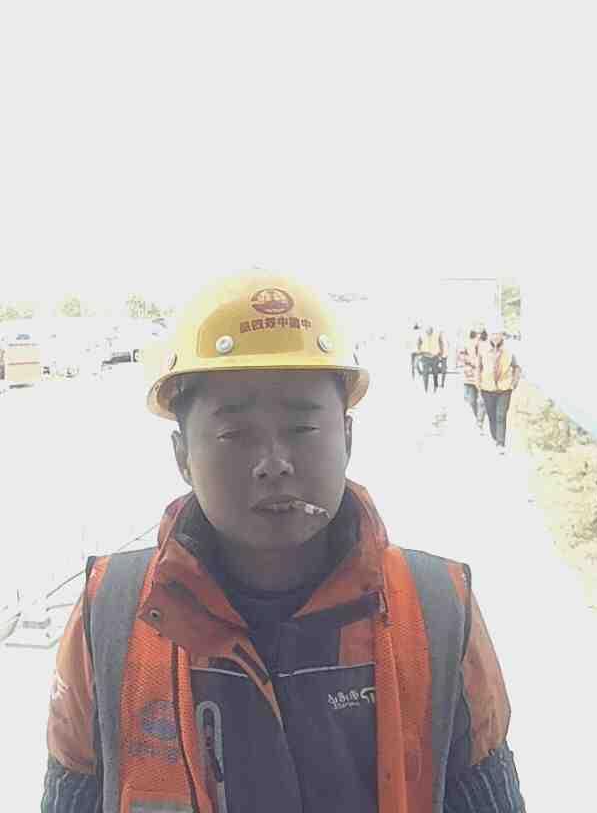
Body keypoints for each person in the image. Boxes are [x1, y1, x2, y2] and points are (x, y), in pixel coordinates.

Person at [42, 271, 525, 813]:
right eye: (234, 434)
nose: (273, 463)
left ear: (348, 437)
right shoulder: (110, 612)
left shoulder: (437, 609)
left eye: (302, 429)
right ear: (182, 457)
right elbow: (71, 793)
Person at [477, 322, 522, 455]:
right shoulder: (483, 351)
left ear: (502, 335)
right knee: (491, 416)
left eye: (498, 334)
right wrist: (478, 383)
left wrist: (514, 383)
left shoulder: (509, 351)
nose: (496, 337)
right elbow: (478, 368)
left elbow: (517, 367)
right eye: (493, 334)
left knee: (501, 415)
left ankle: (500, 443)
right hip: (487, 388)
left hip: (504, 389)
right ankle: (496, 437)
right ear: (489, 336)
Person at [458, 325, 486, 431]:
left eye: (480, 332)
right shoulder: (467, 343)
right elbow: (461, 356)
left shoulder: (487, 344)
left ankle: (480, 422)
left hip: (483, 376)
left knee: (482, 401)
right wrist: (470, 361)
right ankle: (477, 417)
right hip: (469, 376)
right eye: (476, 332)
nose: (478, 334)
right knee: (471, 401)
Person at [417, 324, 444, 393]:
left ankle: (435, 387)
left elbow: (441, 343)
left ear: (432, 330)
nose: (429, 332)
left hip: (435, 357)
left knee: (435, 373)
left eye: (430, 331)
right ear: (426, 331)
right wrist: (420, 352)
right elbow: (418, 343)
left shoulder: (437, 335)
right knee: (425, 374)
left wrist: (440, 354)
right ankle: (425, 389)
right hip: (425, 357)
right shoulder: (422, 336)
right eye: (428, 331)